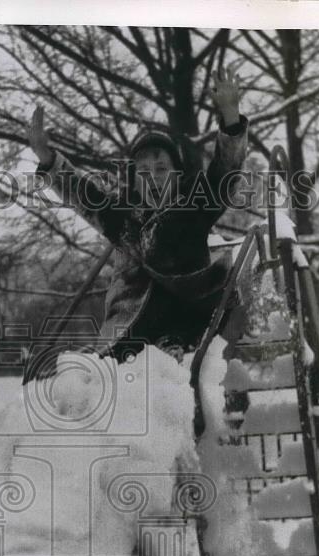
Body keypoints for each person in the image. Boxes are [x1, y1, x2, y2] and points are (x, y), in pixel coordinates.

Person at [29, 68, 248, 362]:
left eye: (161, 170)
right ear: (133, 180)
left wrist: (231, 120)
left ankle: (169, 355)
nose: (153, 179)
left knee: (181, 327)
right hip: (129, 331)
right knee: (91, 371)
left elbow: (225, 172)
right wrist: (47, 158)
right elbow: (80, 192)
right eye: (143, 172)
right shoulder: (121, 216)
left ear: (177, 175)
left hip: (185, 326)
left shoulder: (194, 207)